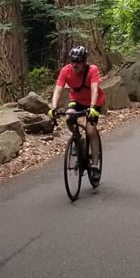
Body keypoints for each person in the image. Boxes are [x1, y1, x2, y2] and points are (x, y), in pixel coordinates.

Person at [49, 45, 104, 183]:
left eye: (78, 61)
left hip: (94, 101)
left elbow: (94, 89)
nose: (75, 64)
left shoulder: (92, 70)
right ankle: (78, 138)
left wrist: (92, 107)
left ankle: (95, 166)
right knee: (68, 117)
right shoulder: (65, 71)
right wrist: (53, 108)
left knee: (91, 130)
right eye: (73, 61)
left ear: (84, 61)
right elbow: (58, 90)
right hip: (77, 100)